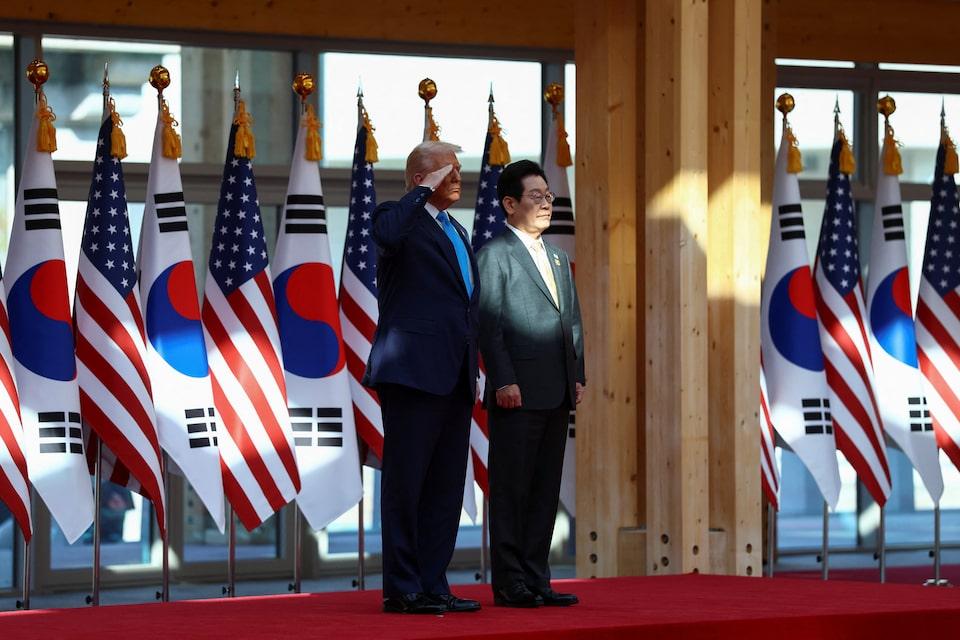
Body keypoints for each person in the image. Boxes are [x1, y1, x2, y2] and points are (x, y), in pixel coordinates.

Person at [363, 140, 481, 614]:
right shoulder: (398, 219)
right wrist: (420, 192)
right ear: (420, 178)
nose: (457, 177)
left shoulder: (456, 230)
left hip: (455, 375)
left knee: (445, 487)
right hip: (413, 374)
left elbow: (465, 307)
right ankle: (403, 588)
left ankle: (434, 583)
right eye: (446, 171)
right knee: (407, 484)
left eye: (459, 170)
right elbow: (387, 234)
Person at [478, 159, 585, 608]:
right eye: (536, 196)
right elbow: (488, 324)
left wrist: (577, 374)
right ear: (509, 204)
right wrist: (503, 379)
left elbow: (571, 320)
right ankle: (510, 582)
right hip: (516, 394)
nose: (546, 204)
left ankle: (538, 578)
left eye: (548, 196)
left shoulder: (557, 256)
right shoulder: (494, 254)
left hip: (556, 391)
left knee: (544, 489)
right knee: (512, 489)